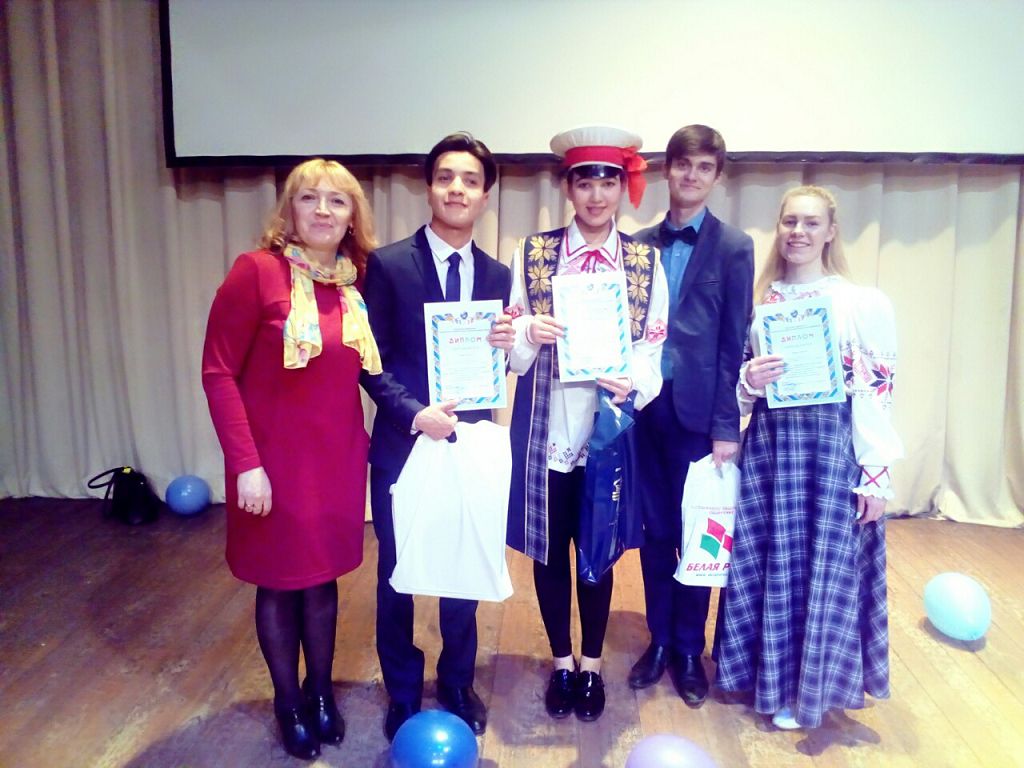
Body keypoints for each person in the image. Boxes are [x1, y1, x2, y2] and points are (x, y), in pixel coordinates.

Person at [201, 159, 381, 760]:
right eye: (309, 198)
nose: (323, 210)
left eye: (337, 200)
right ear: (289, 211)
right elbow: (218, 373)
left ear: (353, 216)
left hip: (335, 461)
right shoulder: (257, 272)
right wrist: (245, 464)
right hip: (271, 465)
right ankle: (288, 702)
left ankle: (321, 692)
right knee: (279, 584)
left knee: (322, 579)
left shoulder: (355, 282)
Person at [715, 185, 903, 730]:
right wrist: (749, 381)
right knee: (772, 563)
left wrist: (875, 473)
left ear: (830, 232)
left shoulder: (859, 303)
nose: (798, 232)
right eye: (790, 221)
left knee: (824, 566)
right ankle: (768, 679)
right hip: (772, 448)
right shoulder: (761, 305)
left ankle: (810, 689)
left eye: (811, 223)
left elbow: (876, 389)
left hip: (830, 449)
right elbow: (741, 391)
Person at [506, 125, 668, 722]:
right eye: (584, 182)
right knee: (549, 556)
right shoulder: (532, 253)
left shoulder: (645, 261)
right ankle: (561, 663)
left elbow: (653, 352)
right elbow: (514, 356)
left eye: (608, 181)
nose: (596, 195)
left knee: (597, 554)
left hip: (607, 435)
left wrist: (635, 384)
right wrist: (528, 332)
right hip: (548, 433)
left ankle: (593, 666)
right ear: (567, 187)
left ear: (623, 188)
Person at [359, 132, 514, 741]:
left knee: (464, 565)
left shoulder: (498, 274)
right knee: (396, 572)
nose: (457, 189)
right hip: (404, 443)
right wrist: (414, 413)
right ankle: (402, 689)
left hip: (468, 445)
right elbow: (369, 360)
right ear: (429, 187)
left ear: (484, 196)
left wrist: (507, 347)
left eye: (470, 180)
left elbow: (502, 362)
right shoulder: (388, 264)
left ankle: (456, 681)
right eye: (446, 177)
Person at [628, 125, 754, 707]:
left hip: (699, 416)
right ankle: (658, 640)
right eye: (683, 164)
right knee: (655, 533)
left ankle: (687, 647)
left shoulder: (734, 247)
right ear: (667, 169)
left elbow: (733, 342)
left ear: (717, 176)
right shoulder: (638, 244)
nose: (692, 175)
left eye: (704, 167)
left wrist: (727, 425)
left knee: (697, 533)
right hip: (645, 409)